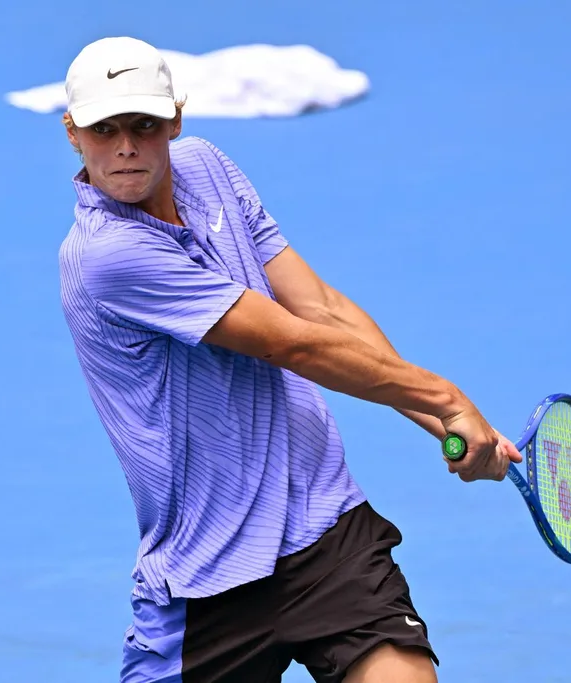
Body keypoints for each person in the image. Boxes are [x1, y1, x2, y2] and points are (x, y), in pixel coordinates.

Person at [57, 36, 522, 683]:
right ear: (73, 132)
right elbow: (290, 342)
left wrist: (434, 419)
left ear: (177, 120)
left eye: (144, 123)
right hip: (207, 577)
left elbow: (321, 307)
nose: (127, 145)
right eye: (105, 129)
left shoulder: (208, 168)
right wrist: (445, 397)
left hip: (324, 528)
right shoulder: (110, 257)